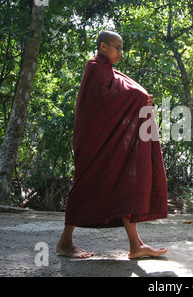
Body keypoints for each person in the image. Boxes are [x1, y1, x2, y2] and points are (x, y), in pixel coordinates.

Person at [56, 30, 168, 259]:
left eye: (122, 48)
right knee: (85, 184)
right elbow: (106, 101)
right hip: (94, 141)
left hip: (112, 141)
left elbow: (123, 93)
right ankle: (64, 242)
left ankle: (136, 245)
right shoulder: (94, 68)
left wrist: (140, 100)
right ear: (103, 46)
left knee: (124, 180)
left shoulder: (108, 70)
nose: (120, 52)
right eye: (117, 47)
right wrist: (139, 99)